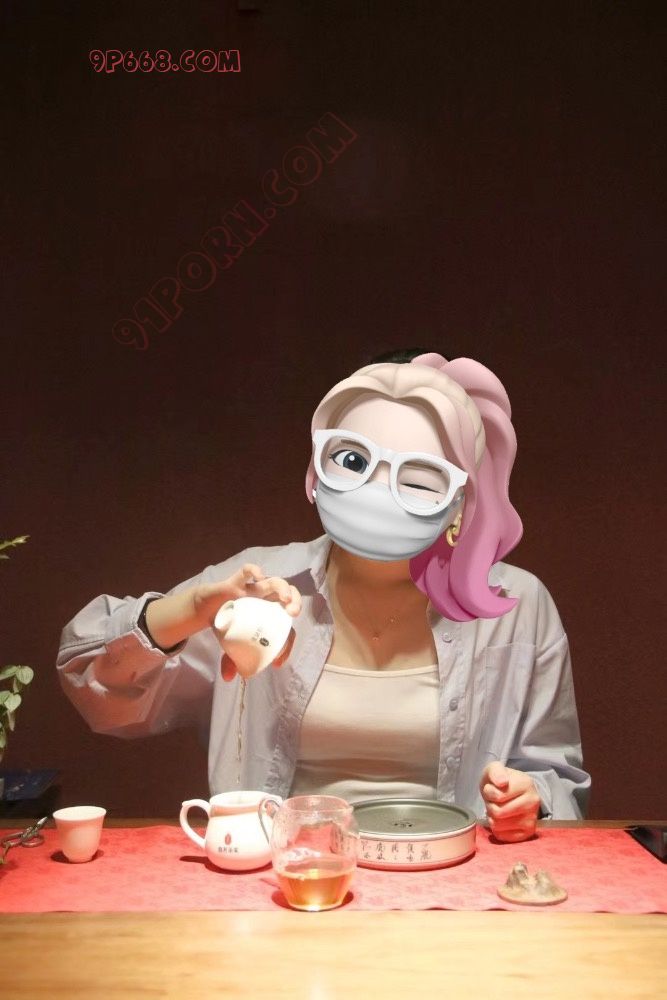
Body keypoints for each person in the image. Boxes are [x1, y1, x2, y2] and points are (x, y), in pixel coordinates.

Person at [57, 351, 590, 843]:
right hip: (290, 874)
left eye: (420, 475)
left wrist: (531, 800)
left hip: (451, 875)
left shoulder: (515, 605)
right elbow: (95, 687)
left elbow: (558, 776)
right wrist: (193, 610)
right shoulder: (258, 585)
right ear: (319, 465)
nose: (380, 490)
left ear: (462, 496)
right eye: (355, 459)